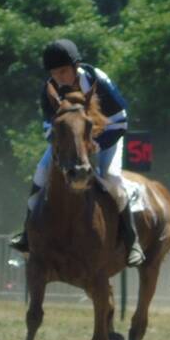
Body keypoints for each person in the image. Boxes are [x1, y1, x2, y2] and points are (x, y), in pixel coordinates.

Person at [11, 39, 143, 266]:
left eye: (63, 71)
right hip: (68, 143)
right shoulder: (49, 89)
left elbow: (120, 121)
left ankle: (132, 241)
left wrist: (94, 145)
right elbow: (47, 127)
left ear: (76, 66)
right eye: (55, 73)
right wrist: (66, 146)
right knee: (40, 174)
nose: (59, 78)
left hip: (106, 137)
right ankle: (26, 233)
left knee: (111, 179)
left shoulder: (97, 80)